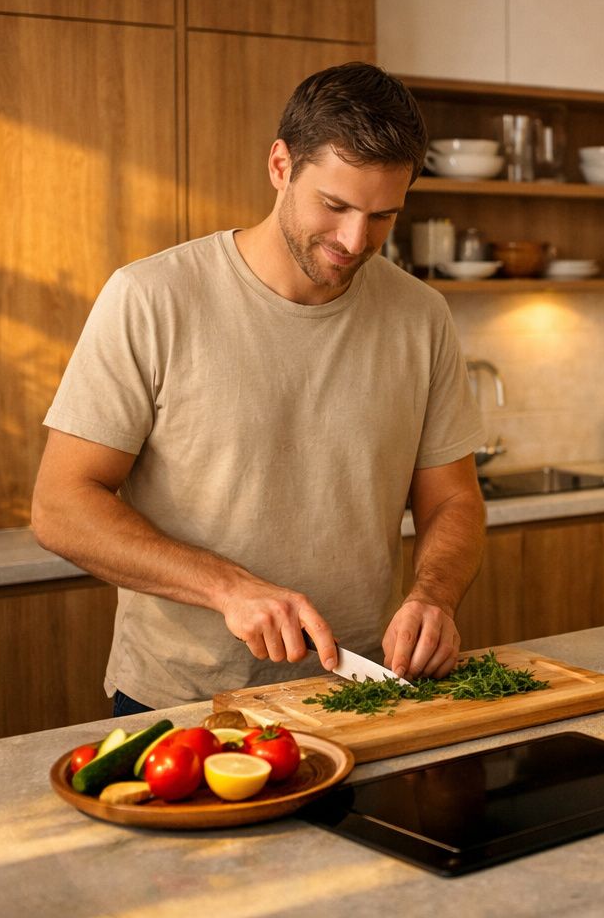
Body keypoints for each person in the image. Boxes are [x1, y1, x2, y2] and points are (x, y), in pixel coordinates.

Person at [31, 62, 488, 716]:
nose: (356, 241)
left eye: (383, 215)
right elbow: (60, 506)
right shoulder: (151, 298)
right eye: (335, 206)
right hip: (182, 702)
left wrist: (433, 597)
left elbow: (454, 501)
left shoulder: (420, 317)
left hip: (354, 693)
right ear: (281, 165)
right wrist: (228, 589)